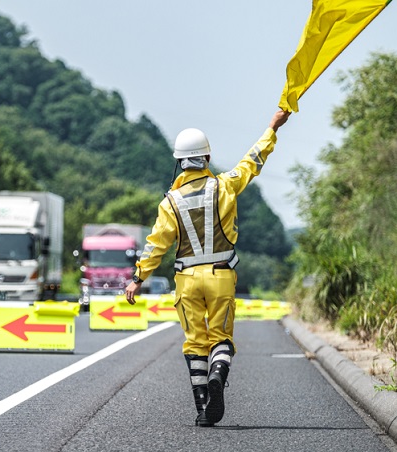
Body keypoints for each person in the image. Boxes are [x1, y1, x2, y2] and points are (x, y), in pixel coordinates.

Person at [124, 108, 291, 427]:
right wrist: (272, 128)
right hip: (220, 275)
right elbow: (251, 163)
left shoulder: (170, 202)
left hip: (186, 279)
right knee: (221, 338)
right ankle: (218, 373)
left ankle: (203, 408)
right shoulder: (225, 185)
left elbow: (156, 243)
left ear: (179, 161)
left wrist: (138, 278)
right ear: (208, 157)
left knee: (194, 342)